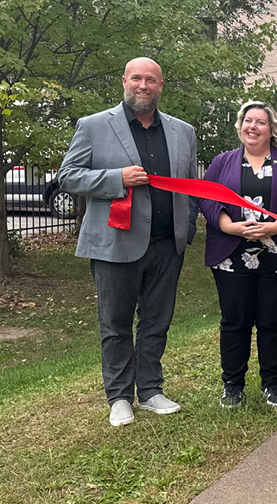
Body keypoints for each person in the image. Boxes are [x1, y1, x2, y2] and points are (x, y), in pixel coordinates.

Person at [58, 57, 198, 426]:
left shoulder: (183, 131)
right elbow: (68, 177)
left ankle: (150, 390)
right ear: (124, 81)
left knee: (156, 322)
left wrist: (189, 225)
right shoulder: (93, 126)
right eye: (136, 78)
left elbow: (190, 186)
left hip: (168, 245)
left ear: (161, 86)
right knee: (116, 323)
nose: (143, 85)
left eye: (151, 80)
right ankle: (119, 397)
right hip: (115, 242)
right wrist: (116, 178)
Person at [198, 101, 277, 408]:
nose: (253, 126)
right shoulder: (223, 162)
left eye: (260, 122)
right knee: (234, 321)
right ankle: (233, 385)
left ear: (272, 128)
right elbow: (206, 197)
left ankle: (272, 384)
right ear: (240, 126)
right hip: (231, 253)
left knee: (272, 321)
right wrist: (230, 226)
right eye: (248, 121)